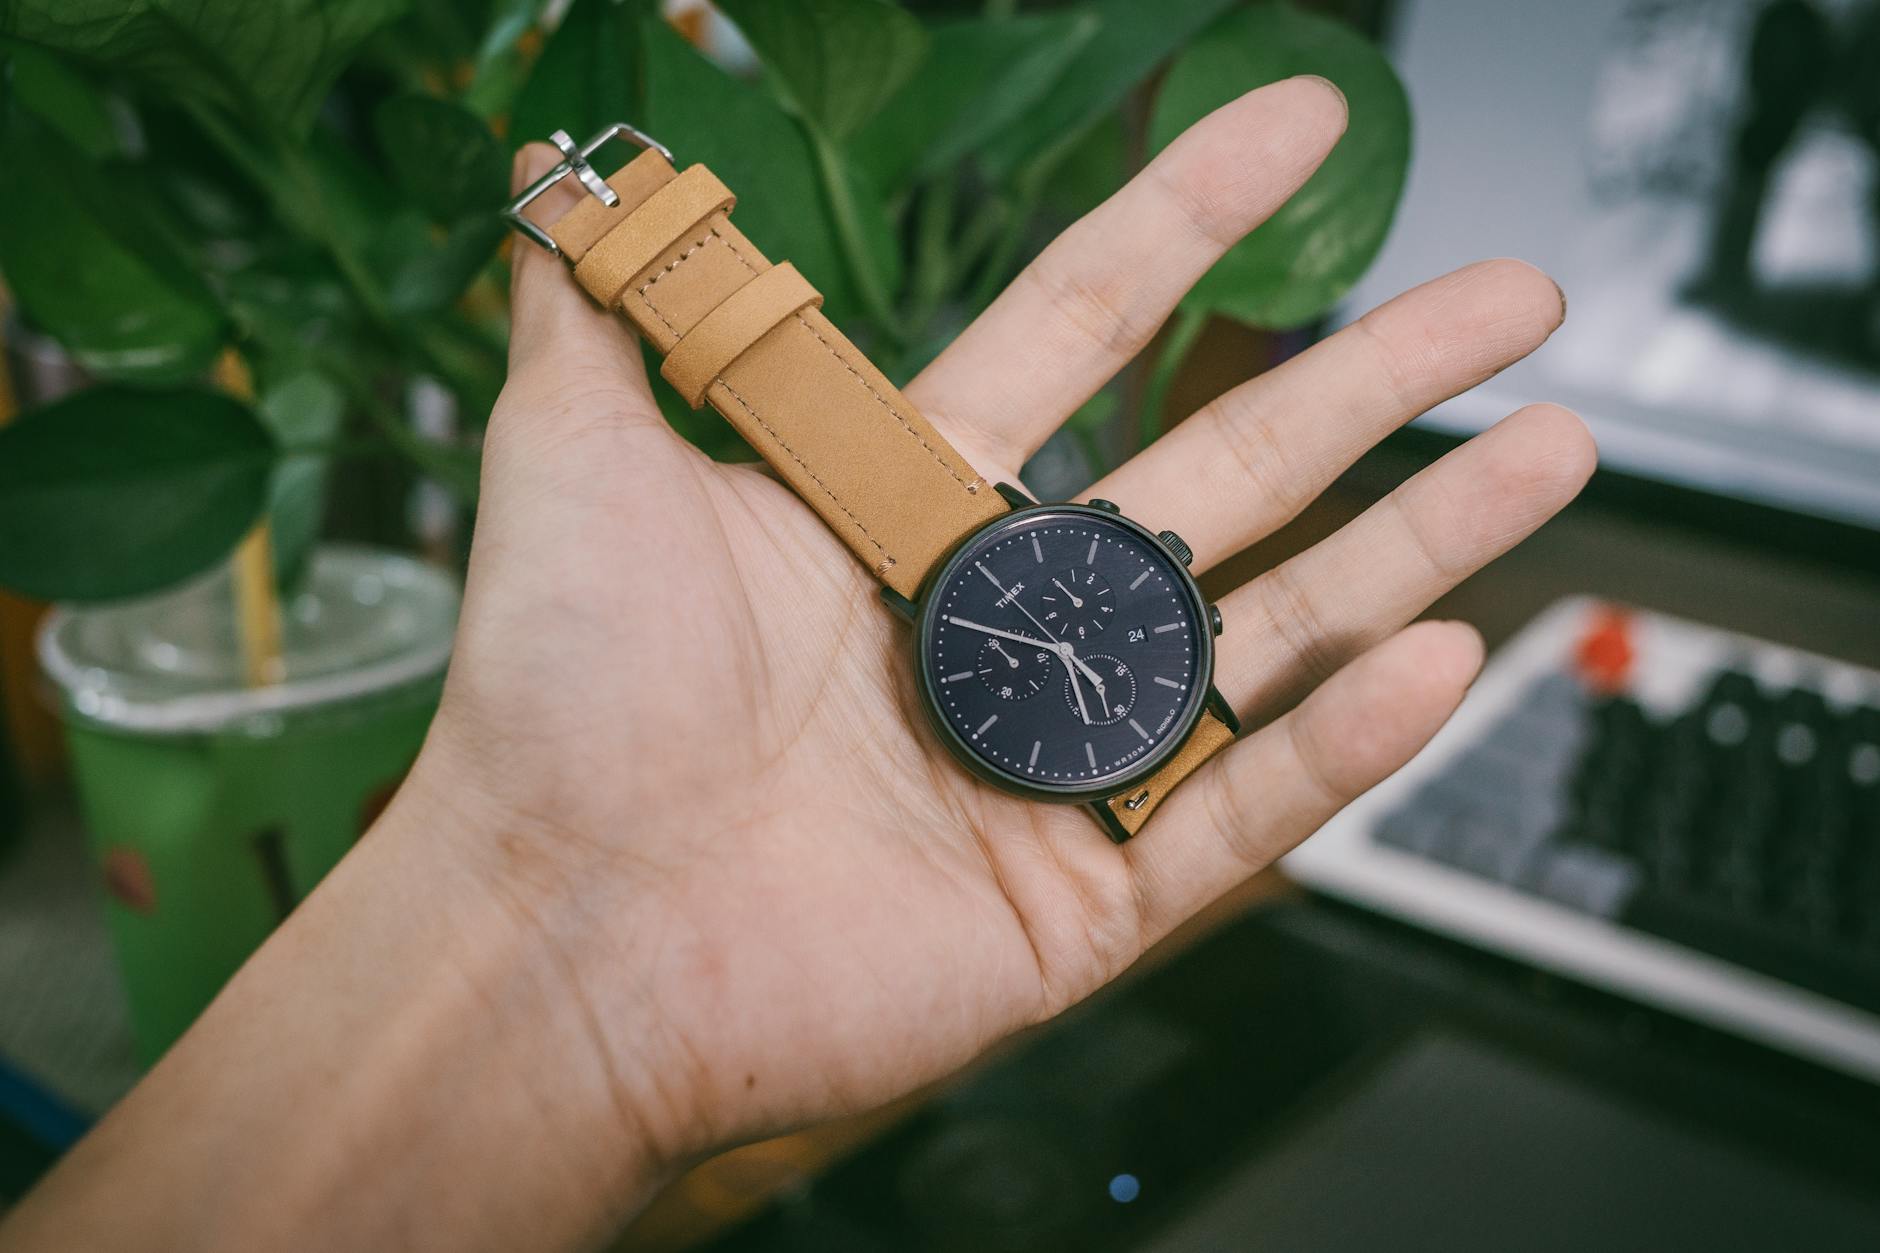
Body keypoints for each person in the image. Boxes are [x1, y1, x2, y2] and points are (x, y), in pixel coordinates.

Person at [0, 77, 1592, 1252]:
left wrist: (535, 967)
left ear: (1147, 579)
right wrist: (543, 944)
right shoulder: (1050, 623)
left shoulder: (1088, 629)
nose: (1063, 620)